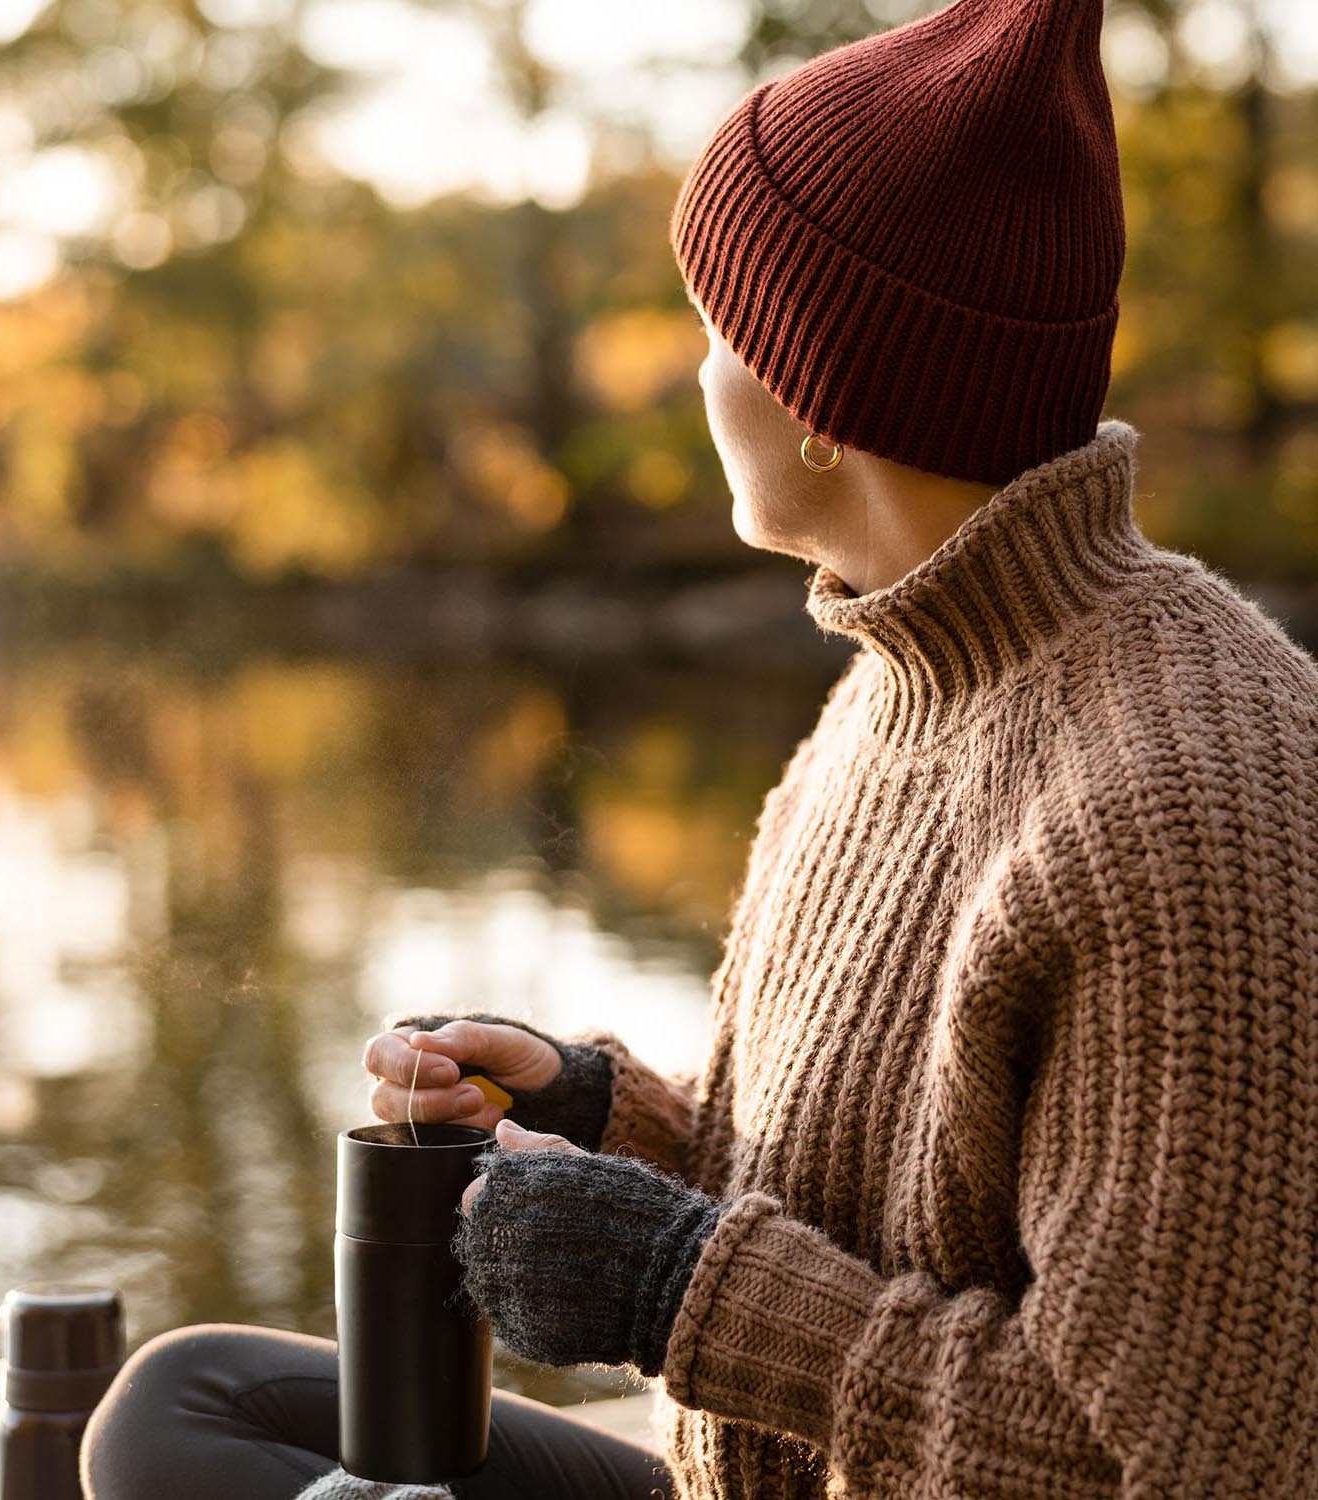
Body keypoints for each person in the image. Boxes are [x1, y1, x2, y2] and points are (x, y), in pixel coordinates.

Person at [81, 0, 1318, 1496]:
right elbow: (848, 1199)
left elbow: (1165, 1463)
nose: (694, 371)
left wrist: (676, 1287)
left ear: (822, 396)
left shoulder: (1187, 801)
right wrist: (605, 1118)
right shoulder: (904, 677)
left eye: (721, 324)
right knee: (185, 1406)